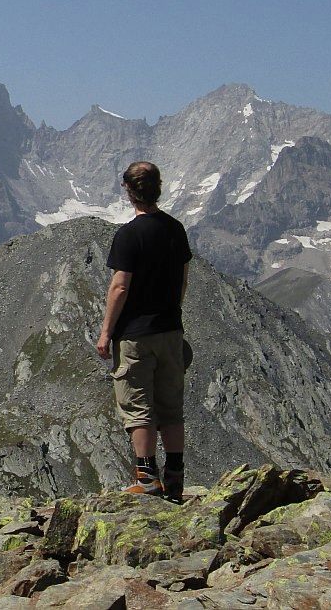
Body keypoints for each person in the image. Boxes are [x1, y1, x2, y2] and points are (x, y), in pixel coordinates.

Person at [95, 161, 192, 501]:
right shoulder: (175, 229)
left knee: (139, 407)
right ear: (158, 188)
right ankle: (176, 476)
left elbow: (119, 287)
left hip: (136, 335)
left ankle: (147, 477)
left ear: (129, 191)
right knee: (171, 406)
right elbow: (182, 277)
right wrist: (174, 313)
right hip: (170, 330)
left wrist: (106, 332)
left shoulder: (129, 235)